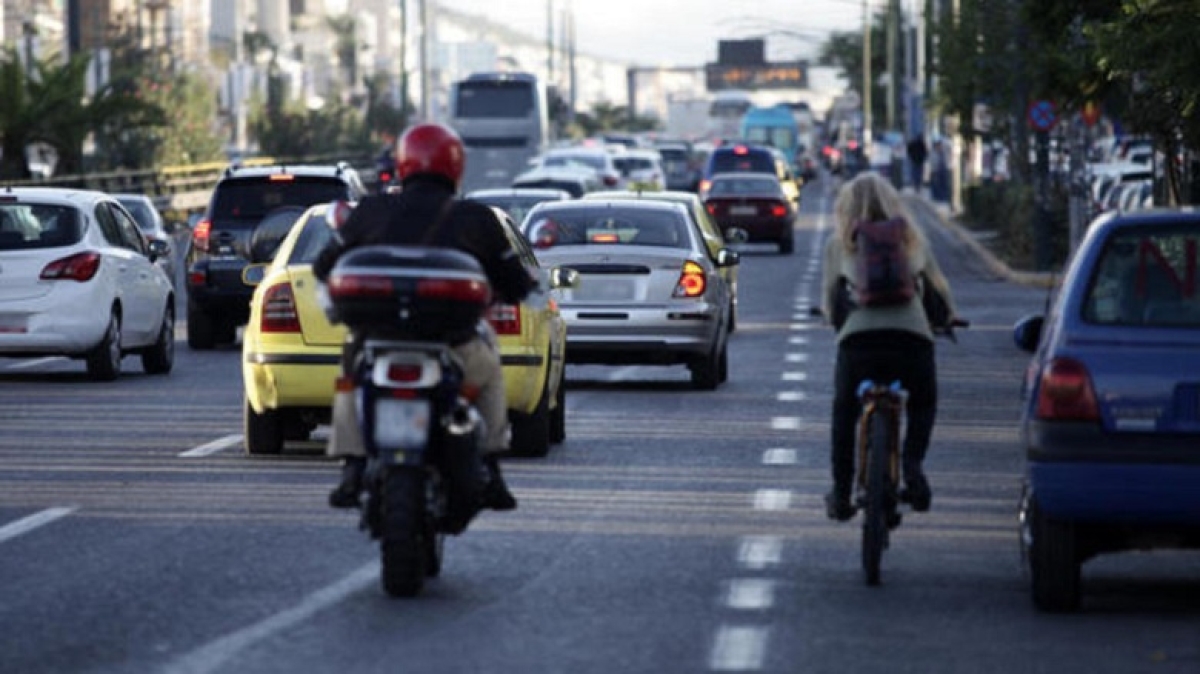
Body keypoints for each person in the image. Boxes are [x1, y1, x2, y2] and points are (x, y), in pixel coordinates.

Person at [313, 122, 538, 512]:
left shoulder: (371, 211)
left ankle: (351, 466)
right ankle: (490, 465)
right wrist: (522, 290)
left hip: (376, 336)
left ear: (403, 164)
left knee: (351, 375)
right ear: (456, 166)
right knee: (489, 372)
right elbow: (516, 282)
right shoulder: (476, 218)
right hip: (453, 339)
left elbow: (323, 266)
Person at [819, 172, 957, 521]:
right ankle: (912, 466)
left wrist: (835, 319)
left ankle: (840, 492)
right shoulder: (912, 240)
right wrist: (948, 318)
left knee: (843, 413)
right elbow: (939, 290)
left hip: (859, 344)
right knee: (923, 402)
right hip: (911, 341)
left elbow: (830, 302)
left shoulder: (839, 245)